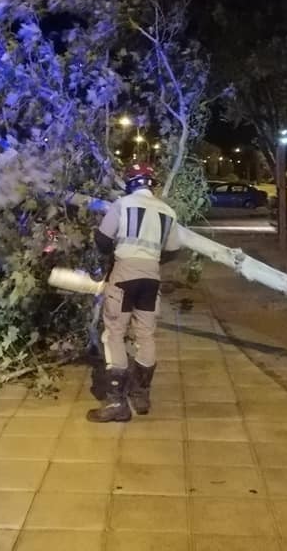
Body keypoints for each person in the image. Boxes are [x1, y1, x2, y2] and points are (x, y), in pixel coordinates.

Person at [87, 162, 181, 423]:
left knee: (114, 333)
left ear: (130, 182)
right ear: (152, 184)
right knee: (146, 334)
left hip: (124, 273)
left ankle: (116, 403)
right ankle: (141, 395)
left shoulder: (122, 204)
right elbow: (174, 250)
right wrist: (150, 260)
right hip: (151, 277)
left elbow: (103, 240)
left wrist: (114, 257)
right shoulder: (168, 211)